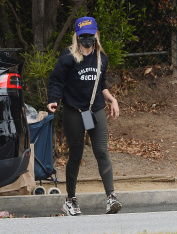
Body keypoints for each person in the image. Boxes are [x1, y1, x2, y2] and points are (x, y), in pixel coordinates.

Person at [47, 16, 122, 216]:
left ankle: (111, 197)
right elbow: (56, 81)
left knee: (101, 151)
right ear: (77, 37)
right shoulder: (68, 57)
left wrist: (112, 100)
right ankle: (70, 200)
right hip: (74, 111)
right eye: (83, 37)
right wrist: (53, 99)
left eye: (90, 35)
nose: (87, 40)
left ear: (96, 35)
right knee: (76, 154)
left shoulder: (101, 58)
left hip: (94, 110)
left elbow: (101, 86)